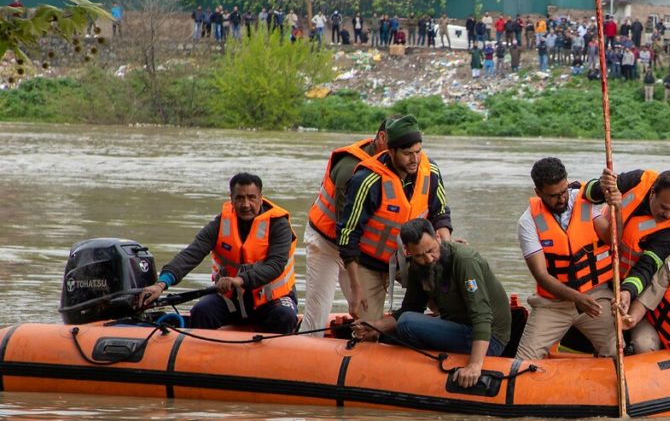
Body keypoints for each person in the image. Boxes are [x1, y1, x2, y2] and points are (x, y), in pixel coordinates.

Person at [351, 219, 510, 387]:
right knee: (390, 334)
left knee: (407, 322)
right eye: (419, 255)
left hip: (490, 338)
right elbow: (411, 307)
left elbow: (482, 316)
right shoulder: (417, 267)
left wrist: (475, 365)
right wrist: (375, 326)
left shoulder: (465, 261)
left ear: (438, 237)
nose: (428, 258)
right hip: (456, 325)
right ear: (408, 251)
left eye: (431, 250)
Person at [135, 173, 297, 334]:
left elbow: (275, 265)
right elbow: (191, 254)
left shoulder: (278, 224)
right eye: (240, 198)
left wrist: (239, 280)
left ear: (260, 198)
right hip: (231, 299)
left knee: (285, 316)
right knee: (202, 310)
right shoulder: (220, 224)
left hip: (271, 301)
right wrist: (161, 284)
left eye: (251, 197)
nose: (246, 204)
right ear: (231, 198)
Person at [336, 115, 452, 320]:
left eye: (418, 152)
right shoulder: (367, 180)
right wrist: (355, 288)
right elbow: (347, 235)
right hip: (368, 263)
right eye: (408, 154)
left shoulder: (431, 171)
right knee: (367, 328)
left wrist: (447, 251)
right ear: (391, 151)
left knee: (448, 299)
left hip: (413, 257)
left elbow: (440, 214)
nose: (415, 160)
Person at [514, 157, 618, 361]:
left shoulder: (585, 201)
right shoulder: (527, 222)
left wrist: (617, 207)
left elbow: (612, 239)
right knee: (523, 362)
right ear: (538, 193)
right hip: (553, 303)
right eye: (553, 196)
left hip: (595, 296)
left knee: (617, 352)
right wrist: (576, 298)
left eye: (564, 191)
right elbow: (542, 276)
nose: (561, 199)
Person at [302, 120, 391, 335]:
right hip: (326, 243)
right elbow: (347, 230)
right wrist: (356, 282)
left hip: (359, 249)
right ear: (381, 138)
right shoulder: (350, 169)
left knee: (367, 311)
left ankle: (359, 351)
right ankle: (308, 343)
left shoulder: (391, 165)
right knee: (319, 308)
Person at [587, 168, 670, 316]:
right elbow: (590, 195)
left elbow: (647, 266)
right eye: (663, 207)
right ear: (653, 193)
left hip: (624, 278)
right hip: (597, 255)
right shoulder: (637, 179)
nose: (668, 215)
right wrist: (601, 187)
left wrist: (628, 291)